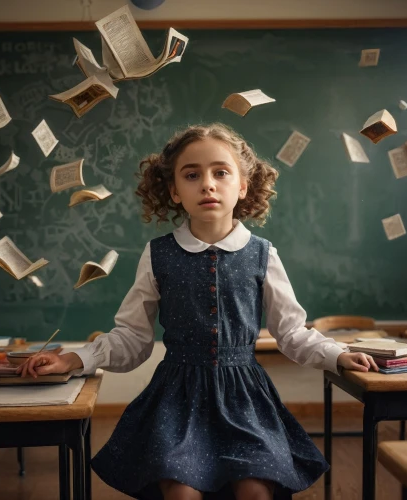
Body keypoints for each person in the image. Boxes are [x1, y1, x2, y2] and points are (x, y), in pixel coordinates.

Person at [19, 123, 378, 500]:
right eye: (192, 175)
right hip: (178, 401)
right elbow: (132, 339)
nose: (207, 184)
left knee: (255, 490)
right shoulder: (157, 254)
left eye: (220, 172)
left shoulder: (262, 253)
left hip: (245, 401)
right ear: (174, 191)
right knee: (181, 493)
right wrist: (74, 358)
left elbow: (291, 333)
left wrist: (338, 355)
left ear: (242, 186)